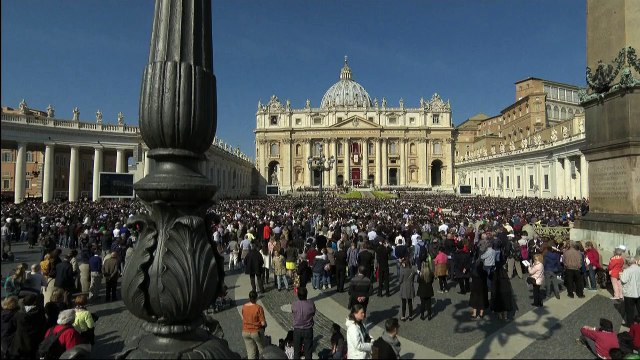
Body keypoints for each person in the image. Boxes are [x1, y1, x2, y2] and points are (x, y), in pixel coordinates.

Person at [7, 293, 47, 359]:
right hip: (33, 345)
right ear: (35, 302)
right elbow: (43, 328)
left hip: (18, 345)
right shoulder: (40, 315)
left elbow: (12, 327)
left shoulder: (18, 314)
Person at [292, 287, 315, 360]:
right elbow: (313, 313)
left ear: (298, 295)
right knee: (308, 351)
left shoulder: (294, 304)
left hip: (297, 330)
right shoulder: (311, 304)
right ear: (306, 295)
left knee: (297, 352)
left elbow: (293, 312)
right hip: (308, 329)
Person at [242, 290, 266, 360]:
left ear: (249, 298)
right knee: (262, 350)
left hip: (245, 332)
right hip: (256, 332)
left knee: (251, 353)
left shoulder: (244, 307)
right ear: (256, 298)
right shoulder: (258, 308)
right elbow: (263, 323)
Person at [620, 255, 640, 327]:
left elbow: (623, 280)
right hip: (638, 292)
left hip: (629, 293)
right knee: (639, 308)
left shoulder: (627, 270)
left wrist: (621, 274)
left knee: (629, 310)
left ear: (628, 263)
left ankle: (630, 324)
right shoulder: (639, 268)